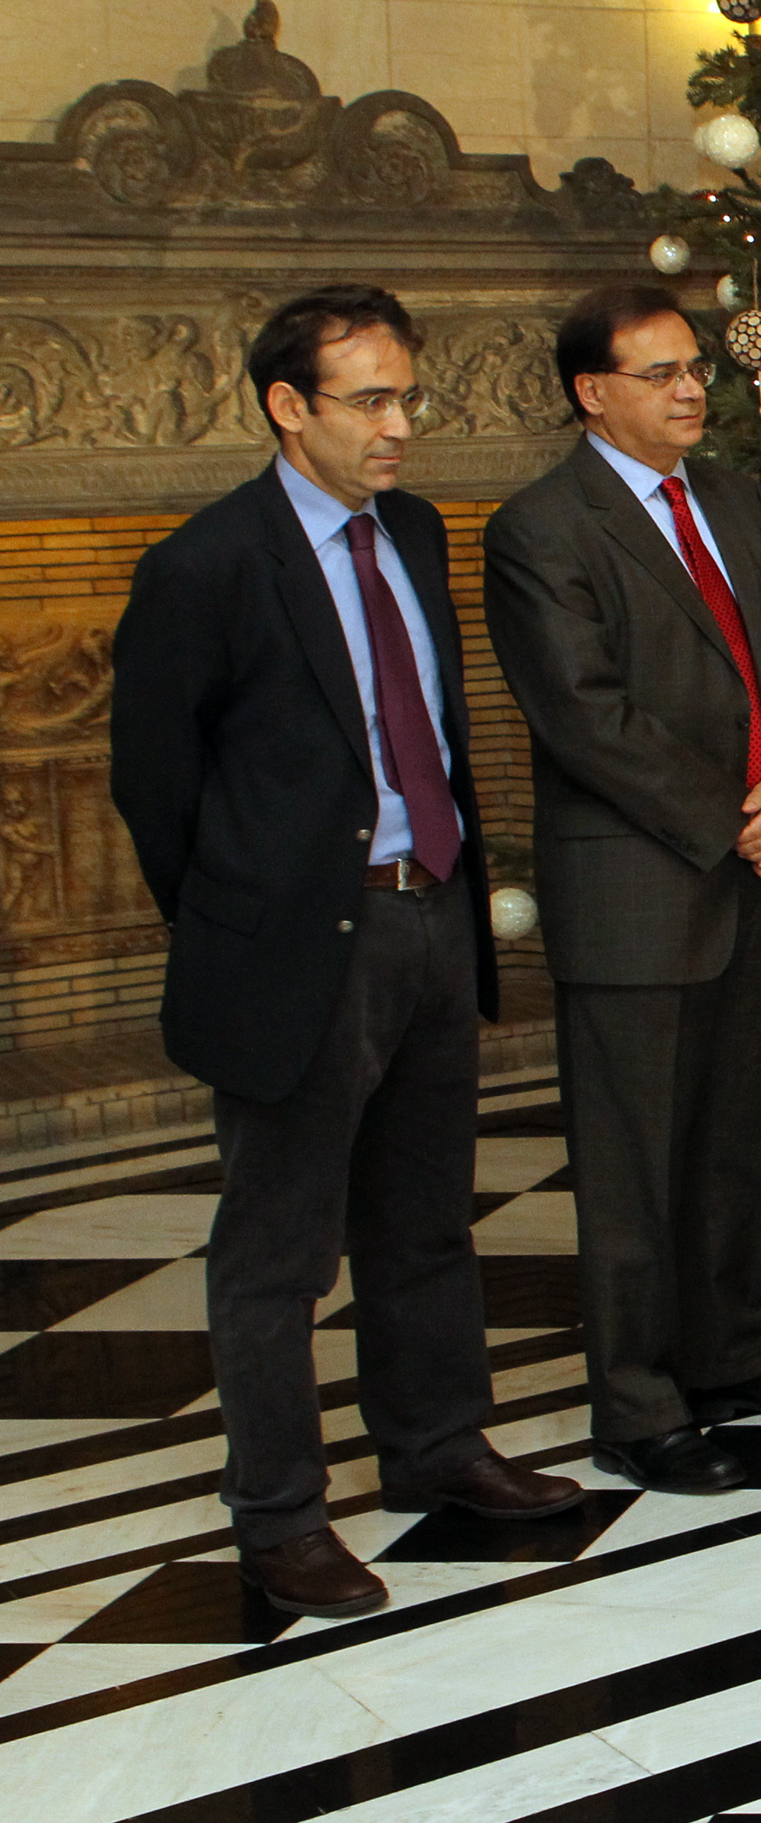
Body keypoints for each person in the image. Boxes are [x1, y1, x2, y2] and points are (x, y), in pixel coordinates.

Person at [110, 286, 579, 1616]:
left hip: (429, 910)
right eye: (369, 400)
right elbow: (156, 781)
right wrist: (240, 916)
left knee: (424, 1217)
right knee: (278, 1250)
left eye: (407, 398)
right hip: (299, 940)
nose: (398, 427)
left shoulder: (416, 532)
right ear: (287, 405)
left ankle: (436, 1445)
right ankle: (281, 1515)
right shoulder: (207, 563)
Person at [487, 286, 761, 1490]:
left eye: (695, 367)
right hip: (645, 889)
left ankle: (732, 1351)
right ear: (594, 393)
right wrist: (734, 821)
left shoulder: (727, 503)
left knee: (741, 1144)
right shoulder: (543, 529)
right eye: (660, 373)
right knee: (636, 1163)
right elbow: (587, 718)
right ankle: (639, 1402)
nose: (692, 388)